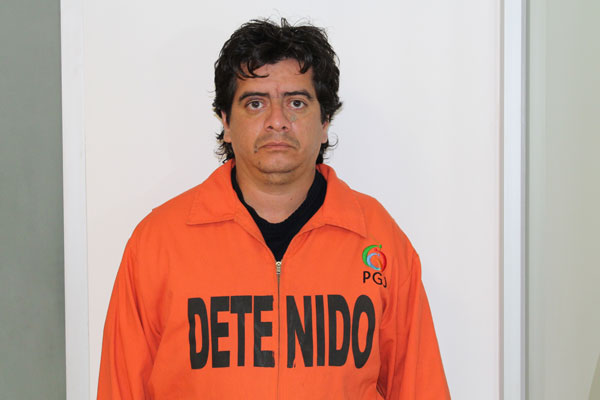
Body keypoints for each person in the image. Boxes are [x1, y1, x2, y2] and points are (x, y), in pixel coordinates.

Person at [98, 18, 450, 399]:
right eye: (255, 103)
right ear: (226, 121)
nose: (277, 121)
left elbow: (420, 389)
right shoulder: (158, 244)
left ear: (325, 121)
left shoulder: (378, 239)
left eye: (296, 102)